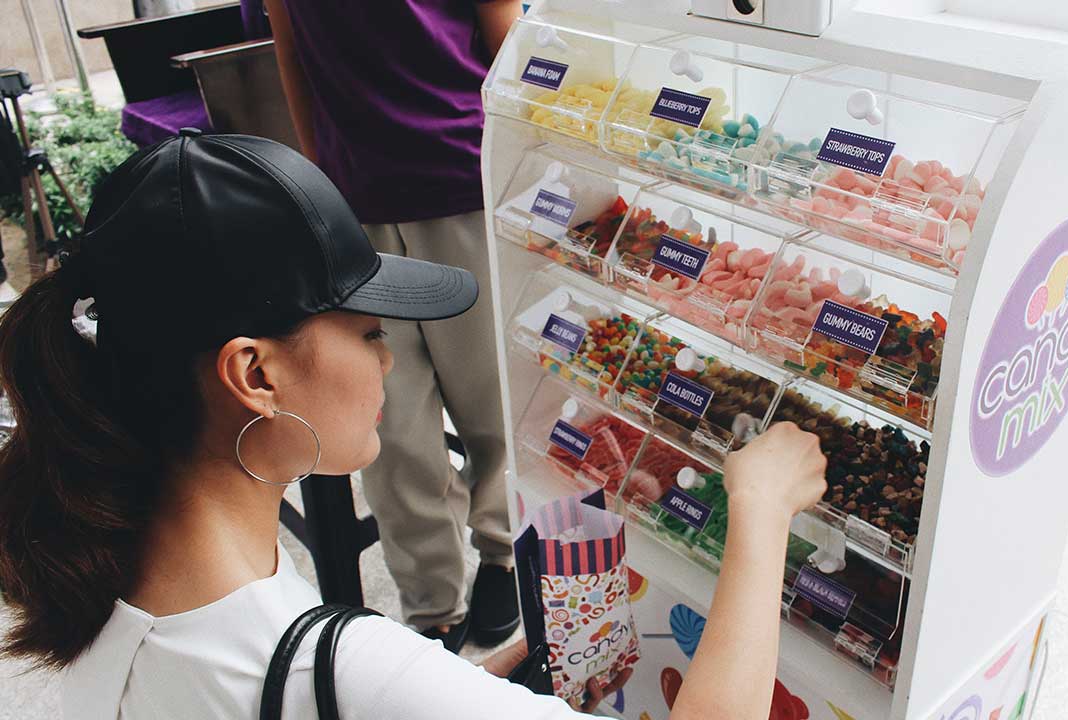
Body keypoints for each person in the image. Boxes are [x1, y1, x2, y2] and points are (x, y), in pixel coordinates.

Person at [0, 133, 828, 719]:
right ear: (254, 375)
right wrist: (759, 508)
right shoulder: (346, 669)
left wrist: (464, 688)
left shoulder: (100, 583)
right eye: (368, 334)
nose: (390, 362)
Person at [261, 0, 524, 652]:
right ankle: (430, 597)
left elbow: (512, 48)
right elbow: (292, 52)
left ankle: (504, 554)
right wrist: (319, 180)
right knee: (387, 422)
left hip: (466, 175)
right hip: (356, 197)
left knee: (492, 398)